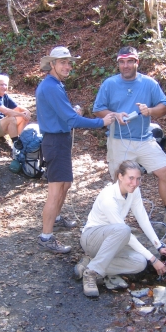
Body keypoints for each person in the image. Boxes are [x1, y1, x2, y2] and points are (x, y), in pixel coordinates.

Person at [93, 46, 166, 229]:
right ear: (118, 63)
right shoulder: (109, 84)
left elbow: (164, 106)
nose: (125, 66)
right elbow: (98, 109)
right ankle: (115, 224)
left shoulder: (149, 83)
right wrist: (115, 114)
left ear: (136, 62)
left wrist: (149, 111)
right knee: (120, 182)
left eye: (129, 61)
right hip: (119, 139)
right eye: (122, 62)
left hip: (144, 138)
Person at [36, 46, 114, 255]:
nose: (67, 66)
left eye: (69, 62)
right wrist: (101, 122)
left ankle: (57, 218)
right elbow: (70, 120)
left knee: (66, 184)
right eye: (63, 62)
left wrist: (72, 112)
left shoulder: (54, 85)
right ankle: (46, 237)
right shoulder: (51, 86)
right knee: (55, 191)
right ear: (52, 64)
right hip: (54, 141)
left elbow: (63, 113)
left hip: (59, 140)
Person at [75, 160, 166, 297]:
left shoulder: (134, 191)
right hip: (92, 239)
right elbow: (125, 233)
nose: (134, 183)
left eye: (138, 179)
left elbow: (143, 219)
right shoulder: (108, 198)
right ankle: (91, 273)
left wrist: (158, 246)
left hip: (113, 240)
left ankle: (90, 263)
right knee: (124, 230)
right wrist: (153, 259)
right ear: (120, 177)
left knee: (139, 263)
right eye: (131, 178)